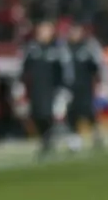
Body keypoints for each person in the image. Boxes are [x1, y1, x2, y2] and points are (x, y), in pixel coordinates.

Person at [18, 19, 74, 159]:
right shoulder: (32, 48)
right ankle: (47, 140)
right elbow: (23, 68)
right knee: (38, 116)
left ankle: (67, 138)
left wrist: (65, 88)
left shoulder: (58, 48)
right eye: (41, 29)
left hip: (54, 90)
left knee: (53, 116)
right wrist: (20, 87)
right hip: (37, 89)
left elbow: (66, 69)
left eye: (46, 29)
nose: (43, 33)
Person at [64, 20, 108, 151]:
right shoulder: (65, 48)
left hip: (85, 86)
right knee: (72, 114)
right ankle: (75, 141)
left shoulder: (87, 47)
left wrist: (101, 82)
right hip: (70, 86)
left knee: (88, 112)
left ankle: (96, 135)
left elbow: (96, 67)